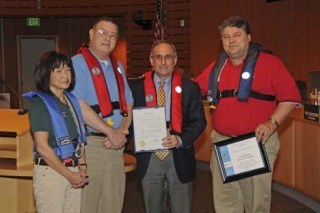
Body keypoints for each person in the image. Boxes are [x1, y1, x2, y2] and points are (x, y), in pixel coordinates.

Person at [193, 16, 302, 212]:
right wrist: (158, 78)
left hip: (256, 143)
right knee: (225, 202)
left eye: (237, 35)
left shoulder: (270, 63)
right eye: (226, 36)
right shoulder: (217, 67)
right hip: (223, 144)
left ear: (249, 37)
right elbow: (192, 88)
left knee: (256, 203)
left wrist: (272, 122)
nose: (231, 40)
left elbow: (291, 98)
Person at [129, 40, 207, 213]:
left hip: (179, 154)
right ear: (151, 60)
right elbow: (127, 121)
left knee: (182, 208)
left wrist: (180, 139)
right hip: (149, 157)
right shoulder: (135, 88)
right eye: (158, 57)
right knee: (152, 208)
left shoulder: (190, 87)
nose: (163, 62)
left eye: (168, 57)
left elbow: (199, 121)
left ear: (175, 60)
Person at [71, 16, 133, 213]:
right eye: (102, 33)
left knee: (113, 203)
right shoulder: (77, 63)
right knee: (88, 204)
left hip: (115, 145)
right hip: (91, 146)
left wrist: (121, 132)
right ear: (91, 34)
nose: (107, 38)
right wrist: (110, 132)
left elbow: (128, 104)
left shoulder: (118, 67)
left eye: (113, 35)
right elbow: (79, 105)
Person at [23, 51, 88, 213]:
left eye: (67, 69)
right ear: (46, 74)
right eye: (58, 70)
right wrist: (69, 174)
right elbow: (42, 147)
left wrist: (82, 168)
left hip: (73, 169)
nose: (65, 75)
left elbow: (78, 139)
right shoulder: (40, 104)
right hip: (52, 173)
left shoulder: (71, 100)